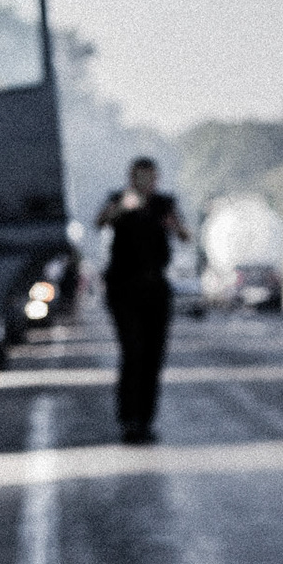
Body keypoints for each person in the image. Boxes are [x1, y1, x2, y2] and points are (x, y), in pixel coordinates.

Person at [96, 157, 189, 444]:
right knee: (132, 351)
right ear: (131, 178)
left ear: (156, 179)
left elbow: (185, 235)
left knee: (152, 356)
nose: (145, 183)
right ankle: (128, 420)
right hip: (123, 286)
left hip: (155, 286)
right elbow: (100, 222)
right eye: (139, 177)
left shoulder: (164, 203)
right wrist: (123, 207)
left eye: (149, 177)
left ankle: (145, 420)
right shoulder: (119, 199)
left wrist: (172, 224)